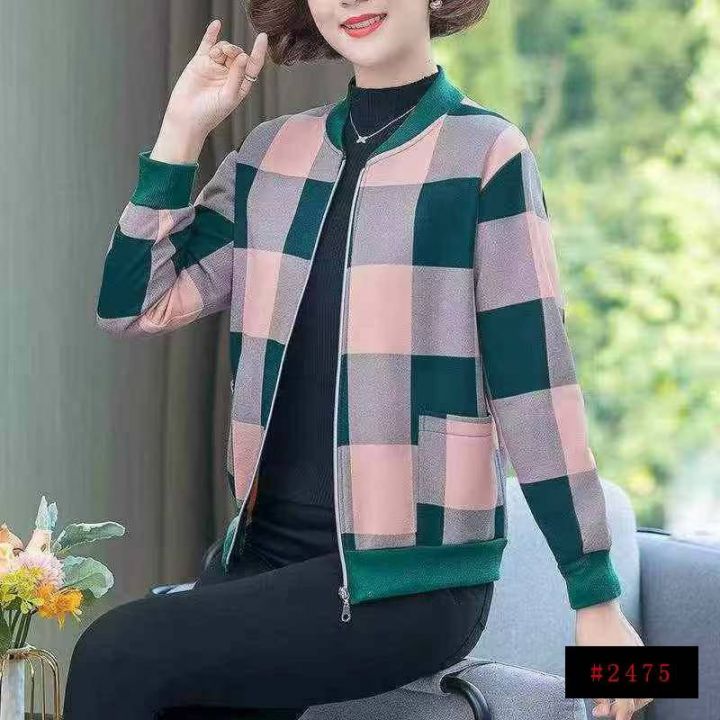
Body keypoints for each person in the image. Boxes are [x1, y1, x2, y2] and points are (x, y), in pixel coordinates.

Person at [65, 3, 651, 719]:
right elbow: (133, 304)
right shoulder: (271, 153)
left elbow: (535, 386)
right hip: (260, 560)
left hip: (409, 583)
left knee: (115, 650)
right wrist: (181, 130)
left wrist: (596, 599)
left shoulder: (486, 154)